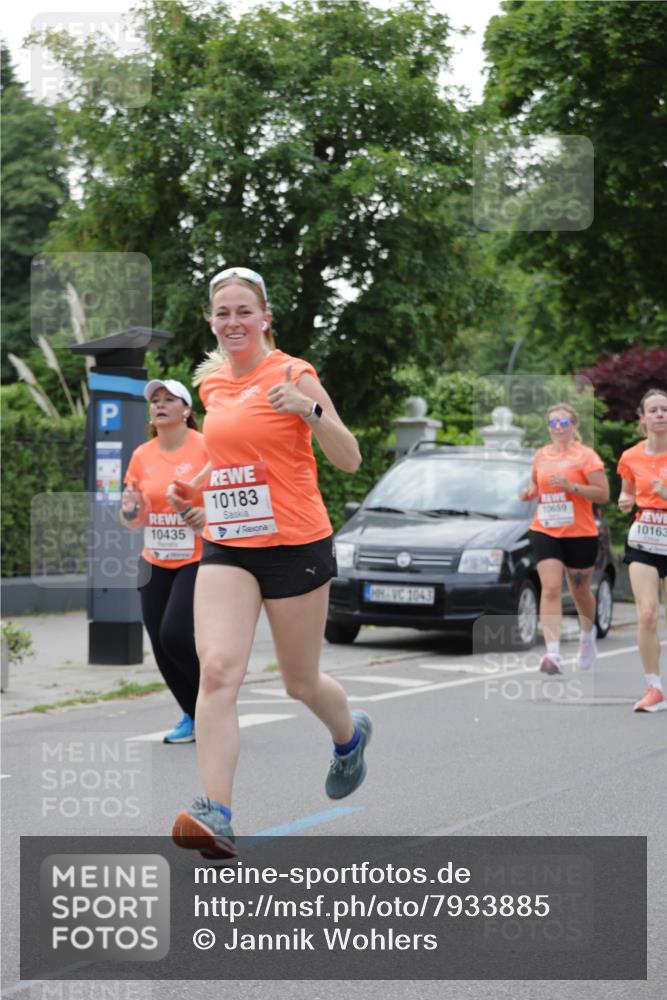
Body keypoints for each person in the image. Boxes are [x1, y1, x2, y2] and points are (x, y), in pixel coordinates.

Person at [169, 265, 368, 859]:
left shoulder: (292, 372)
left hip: (296, 545)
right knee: (218, 670)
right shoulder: (211, 387)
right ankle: (217, 813)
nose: (233, 322)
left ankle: (350, 735)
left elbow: (350, 458)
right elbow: (235, 458)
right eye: (222, 313)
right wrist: (198, 491)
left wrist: (310, 411)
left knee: (298, 681)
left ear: (264, 318)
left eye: (243, 312)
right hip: (231, 546)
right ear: (212, 320)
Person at [121, 379, 208, 743]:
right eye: (155, 400)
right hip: (154, 558)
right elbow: (133, 517)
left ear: (186, 410)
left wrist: (204, 517)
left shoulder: (206, 447)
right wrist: (129, 510)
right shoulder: (142, 454)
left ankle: (213, 706)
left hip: (198, 556)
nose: (159, 405)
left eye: (169, 399)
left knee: (175, 633)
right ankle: (192, 713)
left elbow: (226, 495)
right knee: (158, 640)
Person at [519, 402, 610, 675]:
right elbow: (537, 485)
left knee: (581, 590)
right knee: (550, 587)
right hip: (545, 528)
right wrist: (528, 492)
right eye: (553, 423)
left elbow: (603, 494)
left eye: (563, 423)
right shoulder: (541, 455)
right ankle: (553, 653)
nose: (557, 427)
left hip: (580, 532)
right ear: (548, 427)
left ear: (574, 427)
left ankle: (586, 635)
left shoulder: (587, 456)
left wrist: (572, 487)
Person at [617, 388, 667, 713]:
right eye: (654, 410)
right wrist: (624, 502)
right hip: (645, 538)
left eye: (665, 409)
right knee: (647, 614)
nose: (660, 414)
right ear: (643, 418)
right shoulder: (630, 457)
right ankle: (654, 687)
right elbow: (626, 494)